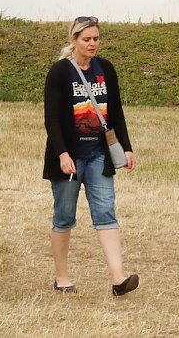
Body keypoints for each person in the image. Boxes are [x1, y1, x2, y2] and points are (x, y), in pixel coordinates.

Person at [43, 16, 139, 296]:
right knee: (64, 216)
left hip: (99, 155)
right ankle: (62, 277)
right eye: (87, 39)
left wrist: (127, 147)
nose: (92, 44)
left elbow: (116, 111)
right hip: (70, 157)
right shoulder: (60, 72)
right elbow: (52, 120)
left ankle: (119, 279)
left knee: (106, 212)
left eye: (96, 39)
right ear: (74, 40)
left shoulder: (106, 69)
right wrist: (62, 153)